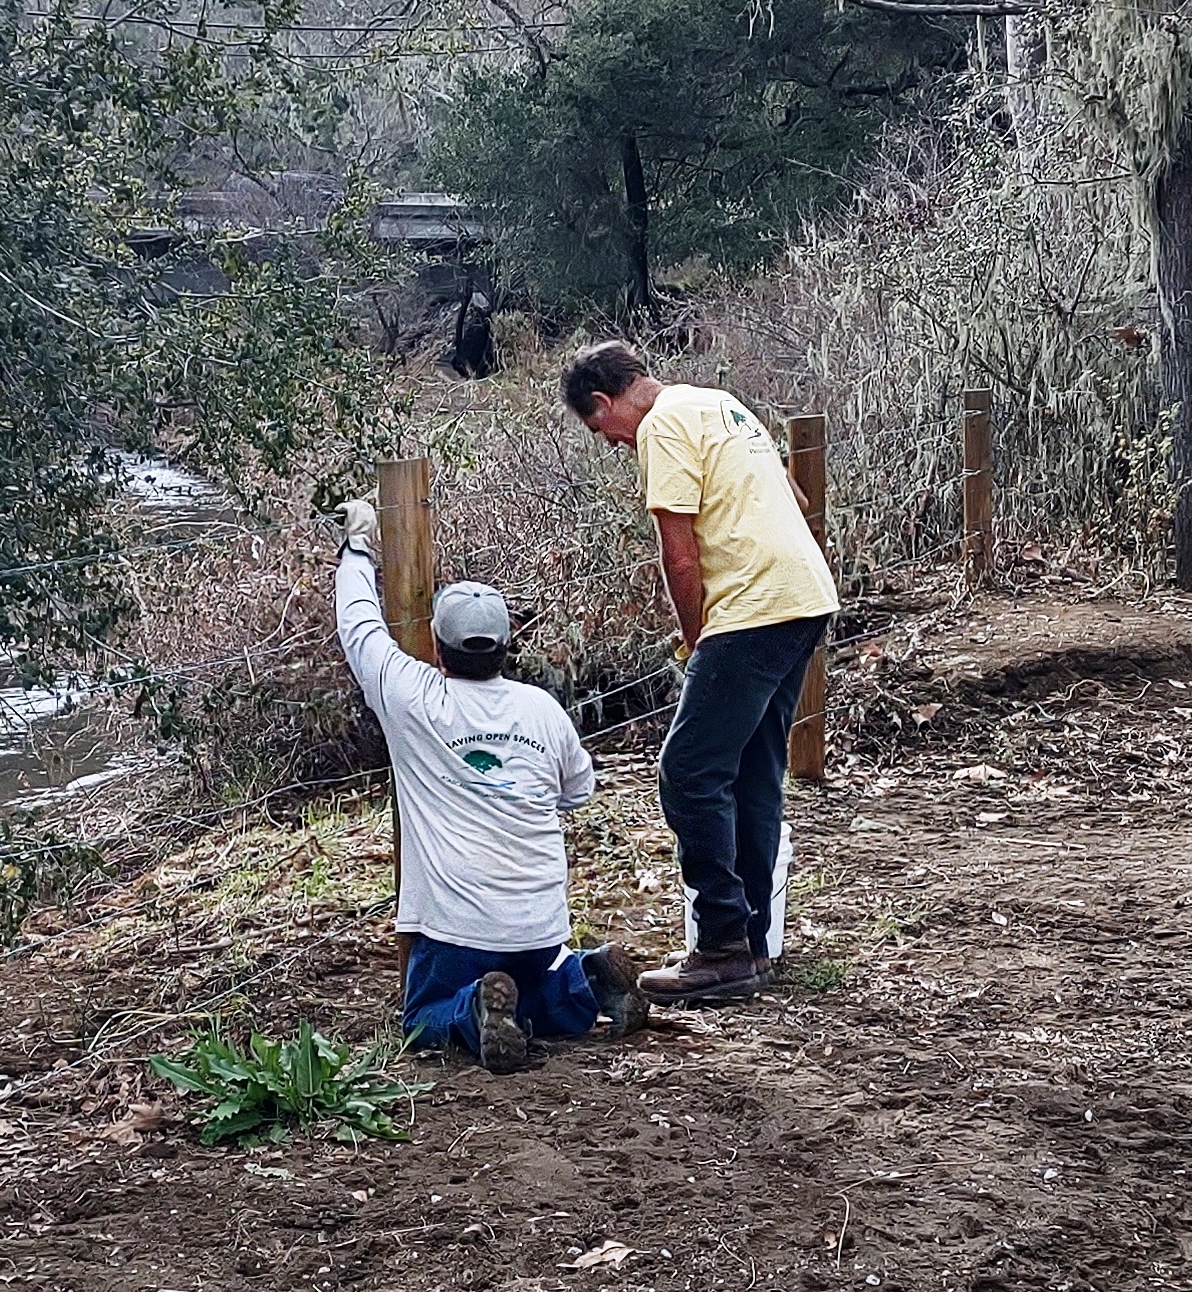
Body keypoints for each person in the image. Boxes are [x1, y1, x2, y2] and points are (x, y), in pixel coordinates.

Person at [559, 341, 839, 1004]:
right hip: (804, 601)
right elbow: (795, 497)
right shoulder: (721, 404)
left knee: (687, 772)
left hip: (751, 612)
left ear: (603, 402)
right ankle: (753, 946)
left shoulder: (659, 428)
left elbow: (678, 557)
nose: (613, 445)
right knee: (750, 773)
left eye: (601, 432)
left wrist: (696, 640)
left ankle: (719, 945)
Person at [333, 498, 643, 1071]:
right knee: (534, 1001)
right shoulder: (542, 708)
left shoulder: (412, 696)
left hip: (457, 932)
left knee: (423, 1015)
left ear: (435, 643)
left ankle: (473, 1007)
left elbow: (359, 626)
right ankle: (585, 981)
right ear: (506, 645)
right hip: (541, 928)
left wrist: (357, 548)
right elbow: (579, 790)